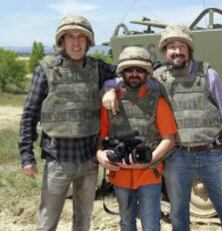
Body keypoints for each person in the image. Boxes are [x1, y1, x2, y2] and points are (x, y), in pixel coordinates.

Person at [102, 25, 222, 231]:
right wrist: (109, 88)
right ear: (164, 52)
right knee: (178, 213)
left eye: (181, 46)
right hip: (177, 156)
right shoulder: (158, 78)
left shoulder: (209, 75)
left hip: (212, 152)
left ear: (189, 49)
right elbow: (127, 78)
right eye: (171, 47)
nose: (177, 51)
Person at [18, 15, 116, 231]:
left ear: (89, 41)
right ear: (61, 41)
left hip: (89, 159)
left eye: (81, 37)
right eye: (70, 37)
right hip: (57, 159)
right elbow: (29, 114)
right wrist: (26, 154)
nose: (76, 42)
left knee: (83, 221)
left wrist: (110, 85)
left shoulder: (98, 68)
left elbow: (129, 71)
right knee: (47, 221)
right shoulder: (45, 69)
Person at [96, 46, 177, 231]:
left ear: (147, 74)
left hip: (149, 174)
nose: (134, 74)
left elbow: (169, 139)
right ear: (121, 73)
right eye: (129, 70)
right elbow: (101, 138)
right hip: (120, 174)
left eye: (139, 70)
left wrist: (149, 161)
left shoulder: (157, 100)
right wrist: (101, 155)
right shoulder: (111, 101)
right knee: (126, 223)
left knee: (151, 225)